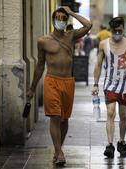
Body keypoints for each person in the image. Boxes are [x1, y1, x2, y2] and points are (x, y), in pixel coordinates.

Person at [26, 6, 92, 165]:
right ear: (53, 20)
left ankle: (58, 149)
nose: (61, 21)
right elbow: (40, 66)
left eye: (64, 18)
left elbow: (88, 25)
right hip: (52, 81)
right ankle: (59, 152)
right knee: (55, 117)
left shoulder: (71, 36)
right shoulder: (43, 41)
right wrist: (32, 88)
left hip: (68, 82)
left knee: (64, 119)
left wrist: (71, 12)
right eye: (59, 18)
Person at [92, 17, 126, 158]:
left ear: (123, 29)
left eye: (120, 30)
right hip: (110, 84)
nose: (117, 33)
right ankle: (110, 145)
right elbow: (98, 65)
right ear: (110, 30)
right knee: (110, 113)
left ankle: (121, 142)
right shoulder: (104, 44)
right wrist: (95, 84)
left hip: (125, 85)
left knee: (123, 115)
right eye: (114, 31)